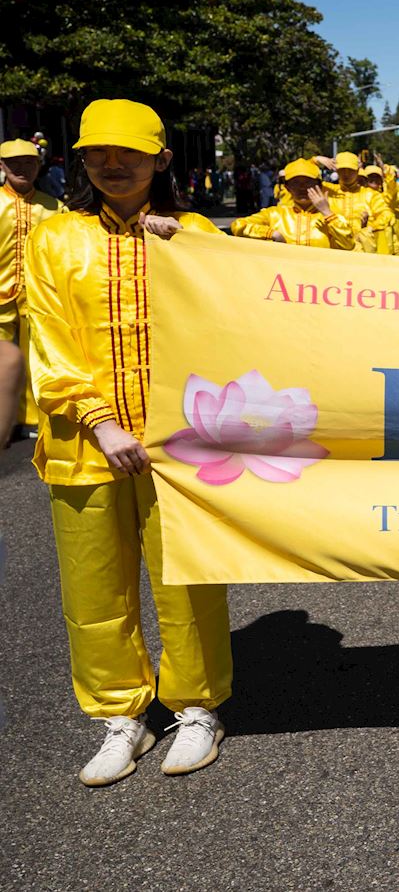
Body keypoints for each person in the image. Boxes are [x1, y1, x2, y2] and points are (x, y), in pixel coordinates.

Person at [23, 99, 234, 787]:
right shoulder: (55, 237)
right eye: (98, 154)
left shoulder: (192, 233)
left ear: (161, 160)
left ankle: (196, 708)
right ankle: (121, 717)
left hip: (176, 444)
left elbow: (240, 316)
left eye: (130, 154)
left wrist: (190, 253)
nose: (113, 166)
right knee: (94, 588)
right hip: (82, 443)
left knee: (186, 579)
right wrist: (97, 419)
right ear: (79, 159)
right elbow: (47, 336)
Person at [0, 139, 66, 446]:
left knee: (35, 358)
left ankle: (28, 418)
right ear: (2, 166)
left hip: (37, 296)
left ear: (38, 166)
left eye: (29, 162)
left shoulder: (55, 207)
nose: (22, 169)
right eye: (14, 163)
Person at [230, 158, 356, 249]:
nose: (302, 188)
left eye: (308, 182)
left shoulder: (331, 217)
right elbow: (238, 225)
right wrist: (271, 234)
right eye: (295, 183)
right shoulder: (275, 214)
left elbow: (348, 244)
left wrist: (327, 213)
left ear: (319, 185)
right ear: (287, 187)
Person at [319, 151, 393, 254]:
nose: (346, 174)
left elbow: (387, 215)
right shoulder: (328, 190)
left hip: (362, 251)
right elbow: (303, 178)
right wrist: (315, 160)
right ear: (336, 170)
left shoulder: (370, 194)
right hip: (334, 252)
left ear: (358, 171)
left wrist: (370, 227)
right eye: (342, 170)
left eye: (350, 170)